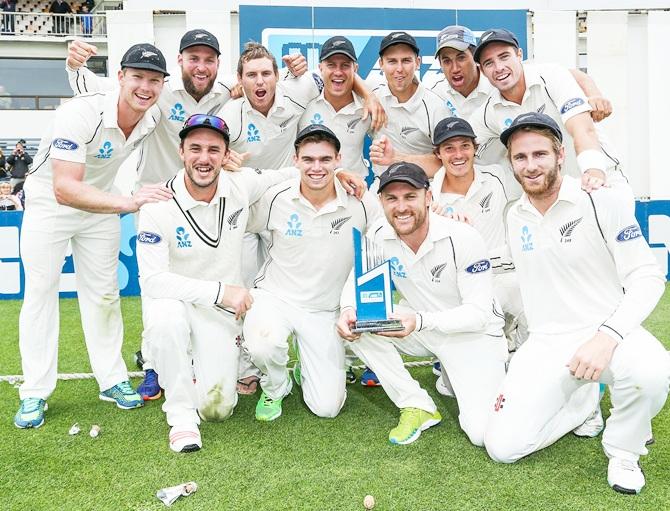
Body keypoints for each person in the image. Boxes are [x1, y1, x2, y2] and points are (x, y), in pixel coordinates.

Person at [65, 32, 307, 399]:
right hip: (157, 198)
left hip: (205, 196)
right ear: (179, 61)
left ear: (218, 65)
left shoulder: (225, 92)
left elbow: (275, 82)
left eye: (208, 60)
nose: (201, 66)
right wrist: (73, 66)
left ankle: (231, 357)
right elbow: (106, 91)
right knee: (158, 289)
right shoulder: (157, 90)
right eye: (193, 58)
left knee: (220, 278)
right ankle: (153, 365)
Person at [136, 115, 362, 452]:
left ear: (226, 156)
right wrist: (221, 291)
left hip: (217, 313)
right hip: (182, 301)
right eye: (195, 148)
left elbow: (290, 172)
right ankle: (180, 416)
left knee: (217, 409)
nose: (204, 158)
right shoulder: (157, 205)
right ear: (180, 151)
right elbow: (153, 281)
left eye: (214, 150)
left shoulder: (240, 185)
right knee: (166, 319)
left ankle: (197, 371)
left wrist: (337, 173)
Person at [484, 112, 670, 495]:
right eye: (520, 157)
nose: (531, 165)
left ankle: (623, 449)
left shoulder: (601, 201)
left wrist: (607, 336)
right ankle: (581, 406)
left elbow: (647, 275)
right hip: (546, 343)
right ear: (511, 163)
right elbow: (498, 266)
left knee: (652, 372)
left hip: (606, 334)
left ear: (560, 155)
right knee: (502, 448)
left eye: (540, 154)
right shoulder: (513, 215)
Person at [14, 43, 171, 430]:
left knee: (103, 293)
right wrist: (130, 201)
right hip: (51, 203)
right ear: (120, 78)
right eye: (137, 77)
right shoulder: (80, 112)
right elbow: (65, 188)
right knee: (40, 292)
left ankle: (112, 379)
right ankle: (35, 390)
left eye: (154, 80)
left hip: (100, 206)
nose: (145, 88)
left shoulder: (152, 117)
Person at [337, 162, 507, 446]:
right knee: (358, 326)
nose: (401, 207)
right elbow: (355, 284)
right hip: (422, 329)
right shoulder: (379, 234)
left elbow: (478, 315)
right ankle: (417, 404)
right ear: (381, 202)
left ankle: (493, 369)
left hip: (472, 336)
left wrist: (420, 321)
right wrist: (347, 311)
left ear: (428, 198)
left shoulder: (462, 237)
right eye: (391, 198)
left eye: (410, 196)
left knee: (481, 434)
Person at [243, 125, 380, 421]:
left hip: (324, 309)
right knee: (263, 345)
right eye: (308, 159)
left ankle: (303, 366)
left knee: (328, 408)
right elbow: (237, 223)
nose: (316, 167)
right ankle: (276, 386)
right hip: (276, 298)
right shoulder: (276, 197)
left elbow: (393, 228)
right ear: (295, 161)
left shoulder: (360, 201)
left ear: (338, 159)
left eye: (325, 159)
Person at [429, 117, 526, 387]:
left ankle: (522, 361)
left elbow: (537, 182)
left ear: (475, 148)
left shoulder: (497, 176)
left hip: (503, 275)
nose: (458, 155)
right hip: (462, 287)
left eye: (464, 146)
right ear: (437, 154)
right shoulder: (428, 198)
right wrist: (441, 226)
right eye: (449, 148)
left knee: (533, 299)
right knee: (449, 388)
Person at [469, 28, 624, 192]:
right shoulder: (489, 111)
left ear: (519, 55)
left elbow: (582, 129)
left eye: (504, 57)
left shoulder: (551, 76)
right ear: (482, 71)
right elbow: (454, 148)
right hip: (556, 195)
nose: (499, 67)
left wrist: (594, 172)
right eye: (489, 63)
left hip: (602, 179)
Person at [367, 32, 450, 180]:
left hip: (423, 189)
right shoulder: (372, 94)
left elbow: (446, 163)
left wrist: (395, 158)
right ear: (381, 64)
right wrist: (368, 96)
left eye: (406, 60)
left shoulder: (435, 106)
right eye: (392, 61)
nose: (399, 69)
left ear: (417, 62)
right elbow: (340, 76)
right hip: (382, 188)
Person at [299, 36, 376, 179]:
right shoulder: (303, 101)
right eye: (331, 65)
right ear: (320, 68)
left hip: (353, 192)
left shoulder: (368, 107)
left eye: (345, 65)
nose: (338, 72)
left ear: (355, 69)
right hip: (310, 190)